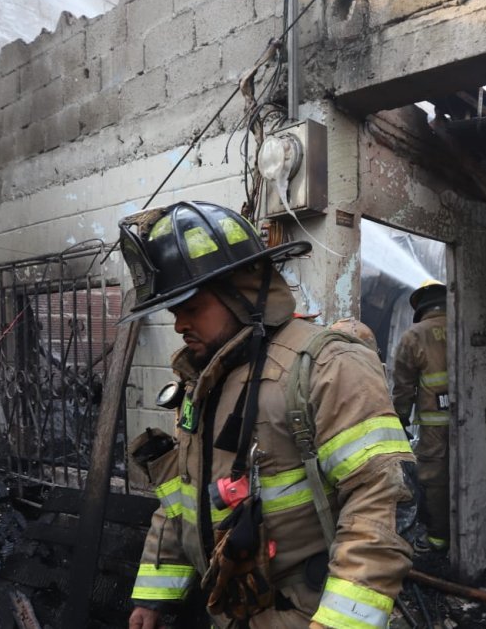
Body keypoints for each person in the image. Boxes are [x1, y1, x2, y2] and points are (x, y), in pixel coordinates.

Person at [120, 201, 416, 629]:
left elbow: (380, 504)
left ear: (241, 289)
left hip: (308, 614)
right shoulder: (200, 382)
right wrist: (153, 598)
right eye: (173, 311)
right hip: (232, 610)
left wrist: (339, 623)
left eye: (192, 306)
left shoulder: (327, 365)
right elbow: (182, 499)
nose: (179, 323)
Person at [391, 280, 450, 553]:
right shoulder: (465, 325)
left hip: (435, 423)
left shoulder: (414, 335)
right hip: (476, 420)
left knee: (434, 476)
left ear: (421, 307)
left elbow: (403, 386)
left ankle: (438, 539)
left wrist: (399, 419)